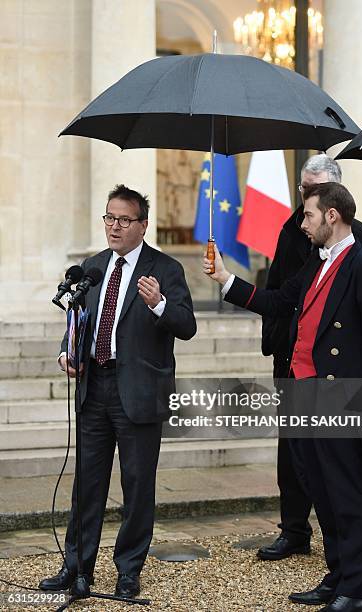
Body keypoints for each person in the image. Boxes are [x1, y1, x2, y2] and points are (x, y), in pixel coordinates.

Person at [204, 182, 362, 612]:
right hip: (302, 391)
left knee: (350, 494)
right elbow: (277, 301)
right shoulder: (316, 262)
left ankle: (357, 592)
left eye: (308, 214)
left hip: (339, 398)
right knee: (319, 488)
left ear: (331, 215)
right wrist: (225, 279)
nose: (302, 223)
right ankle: (338, 574)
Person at [39, 184, 197, 598]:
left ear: (142, 226)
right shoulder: (92, 267)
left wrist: (160, 303)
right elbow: (78, 321)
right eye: (109, 217)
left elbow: (187, 325)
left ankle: (128, 570)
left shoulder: (165, 269)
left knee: (137, 486)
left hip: (140, 393)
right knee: (86, 486)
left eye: (124, 220)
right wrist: (66, 352)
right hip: (95, 389)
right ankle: (77, 568)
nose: (114, 226)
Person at [259, 154, 362, 563]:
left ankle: (351, 578)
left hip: (338, 383)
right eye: (301, 191)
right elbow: (281, 291)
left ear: (331, 206)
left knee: (343, 480)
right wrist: (227, 282)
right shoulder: (300, 237)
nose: (302, 208)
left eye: (310, 196)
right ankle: (303, 539)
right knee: (301, 462)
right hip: (296, 367)